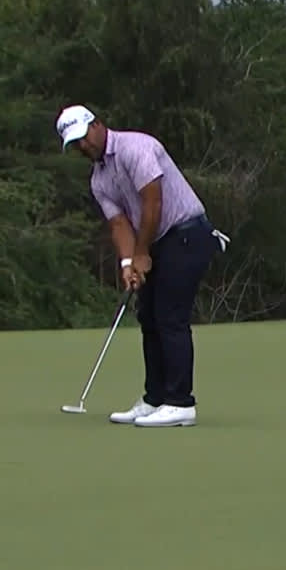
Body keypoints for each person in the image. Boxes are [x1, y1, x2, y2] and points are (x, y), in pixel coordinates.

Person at [56, 105, 230, 427]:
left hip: (187, 233)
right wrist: (128, 262)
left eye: (83, 137)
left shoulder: (136, 147)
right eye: (75, 144)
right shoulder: (99, 180)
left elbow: (154, 201)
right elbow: (120, 223)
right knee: (149, 317)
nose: (83, 146)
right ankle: (155, 399)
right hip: (157, 240)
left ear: (97, 125)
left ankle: (180, 403)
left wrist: (142, 254)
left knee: (169, 316)